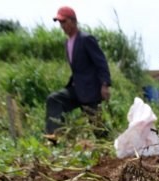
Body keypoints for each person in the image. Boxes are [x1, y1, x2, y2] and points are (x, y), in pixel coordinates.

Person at [45, 6, 111, 138]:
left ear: (73, 21)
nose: (61, 26)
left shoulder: (86, 39)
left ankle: (112, 150)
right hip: (76, 88)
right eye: (60, 23)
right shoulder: (68, 42)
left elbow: (101, 62)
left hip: (90, 91)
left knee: (98, 128)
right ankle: (54, 134)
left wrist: (105, 85)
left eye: (64, 22)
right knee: (54, 99)